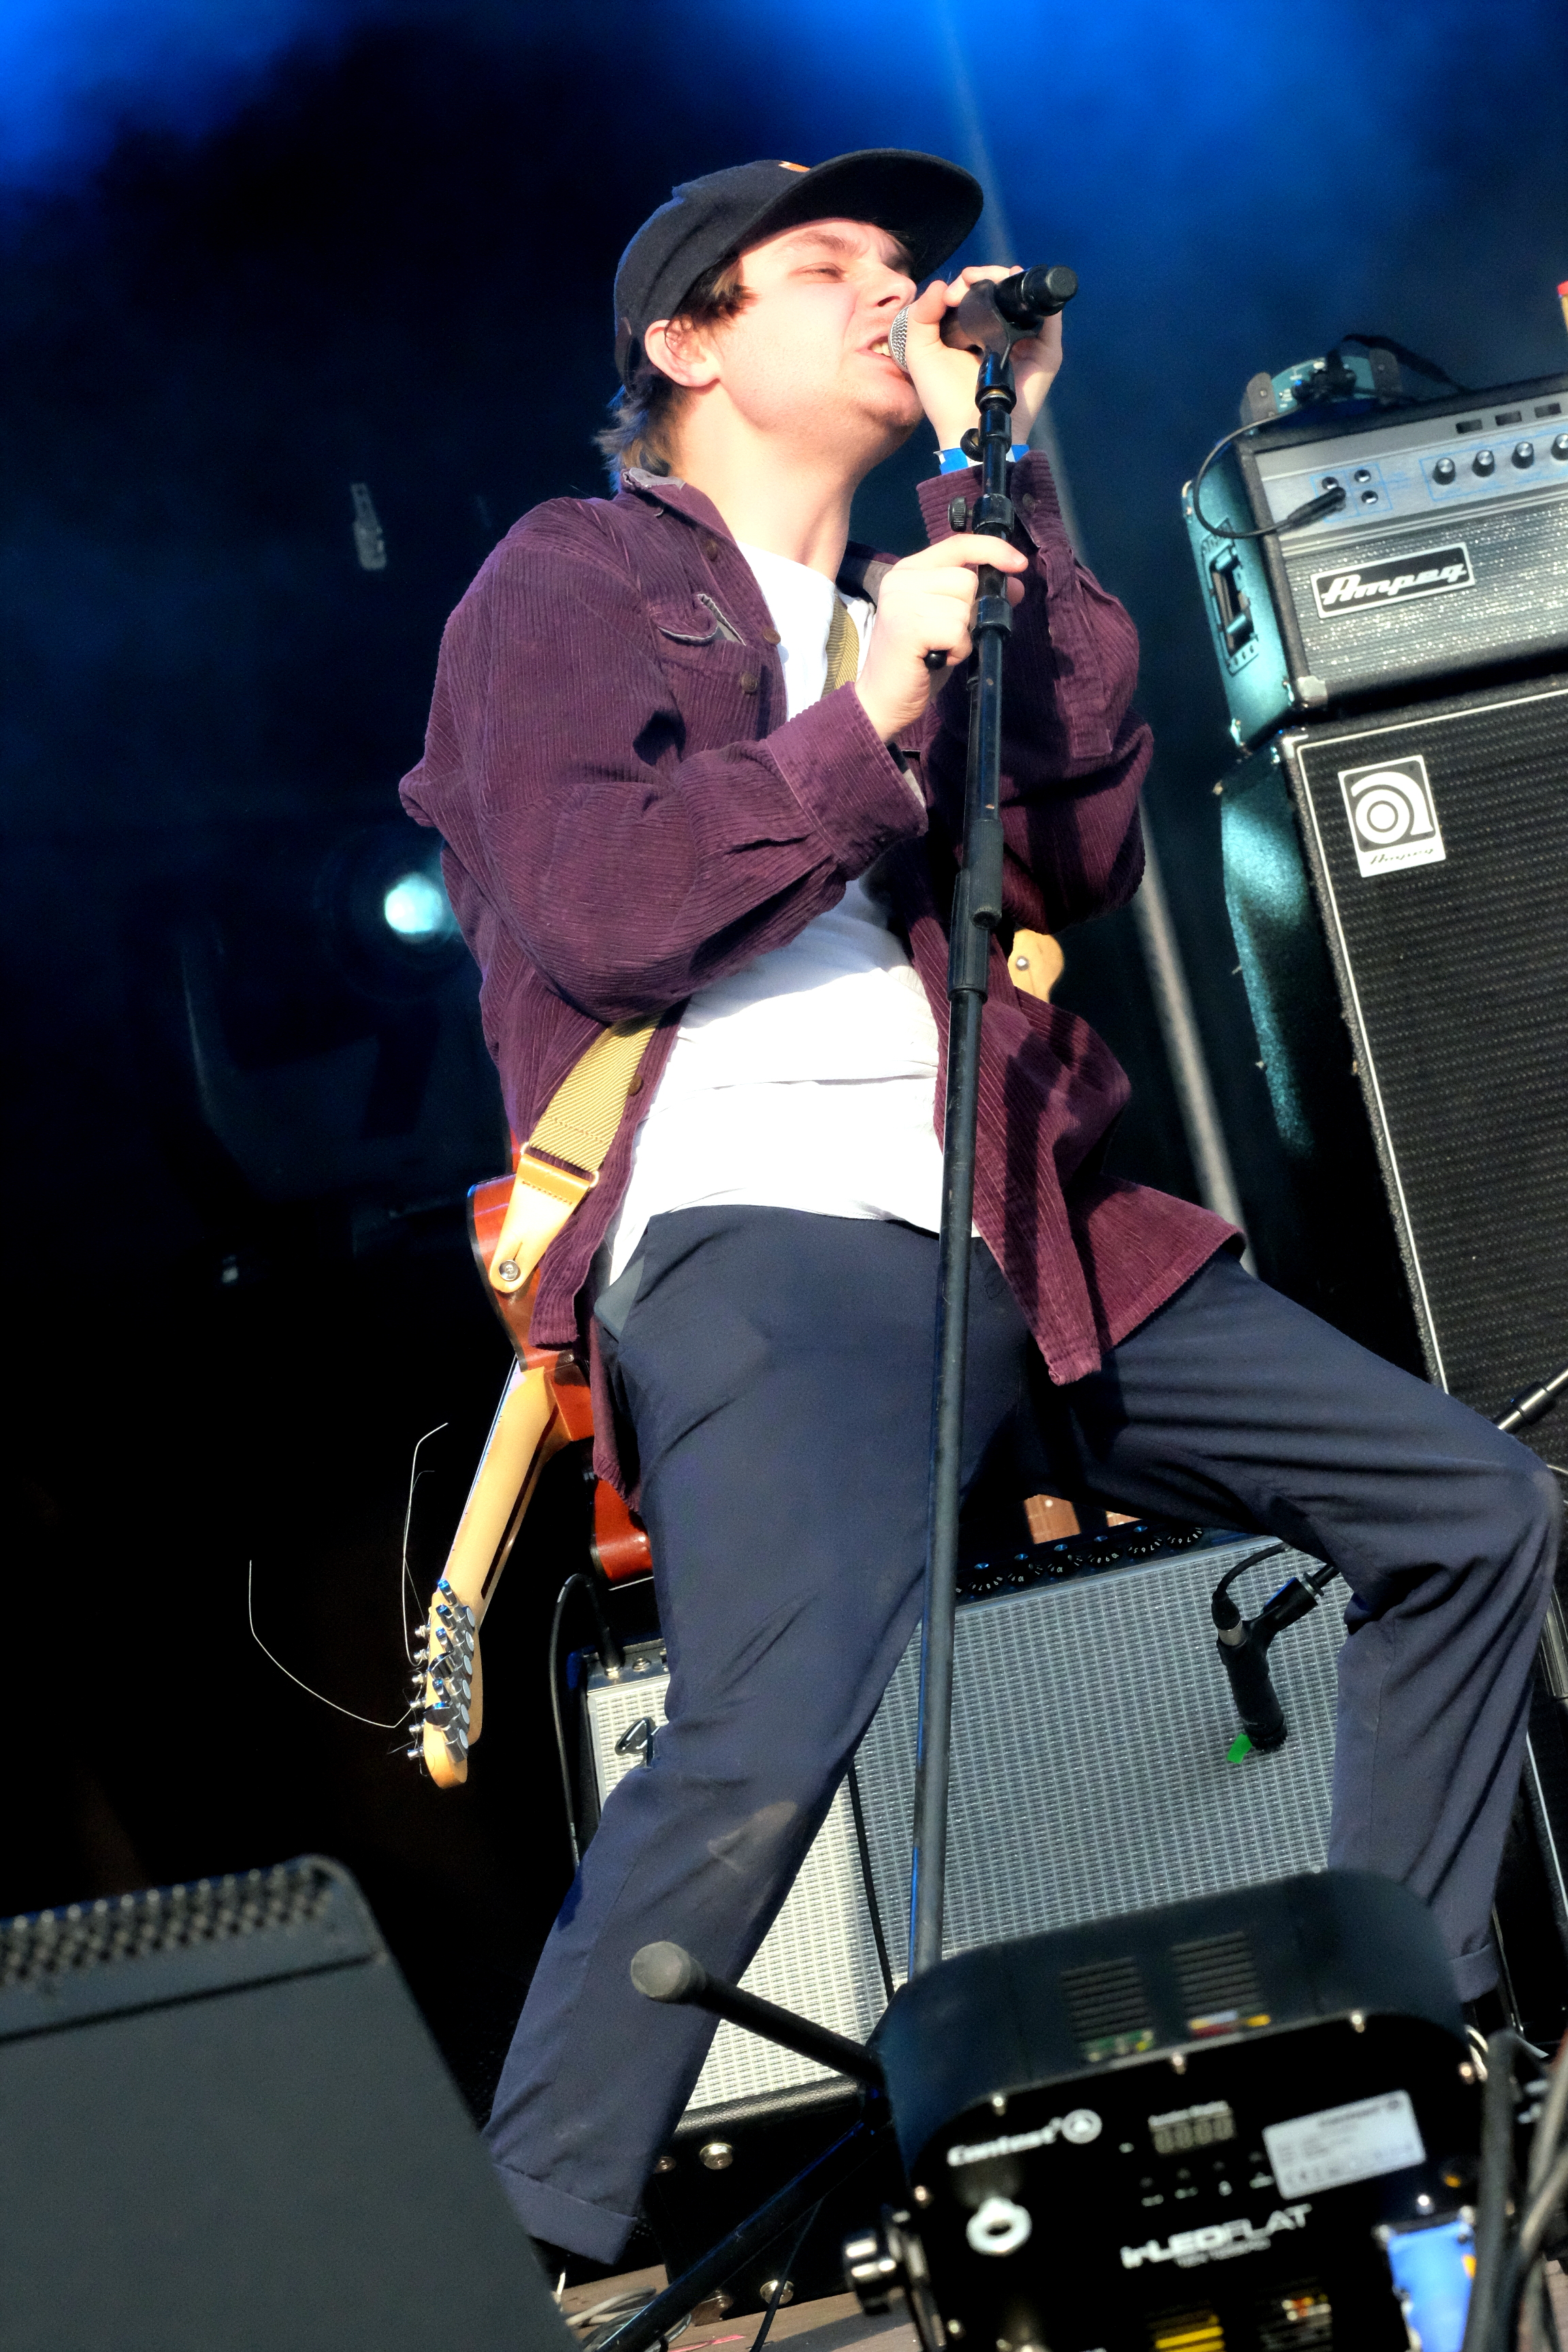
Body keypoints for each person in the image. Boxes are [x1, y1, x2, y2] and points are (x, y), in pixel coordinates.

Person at [400, 150, 1560, 2266]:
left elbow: (1084, 848)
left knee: (1468, 1513)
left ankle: (1387, 2050)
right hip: (761, 1232)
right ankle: (509, 2252)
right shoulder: (567, 580)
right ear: (686, 342)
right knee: (767, 1720)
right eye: (826, 263)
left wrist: (994, 482)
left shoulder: (931, 576)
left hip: (1028, 1221)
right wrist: (871, 708)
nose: (893, 289)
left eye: (903, 262)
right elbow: (605, 904)